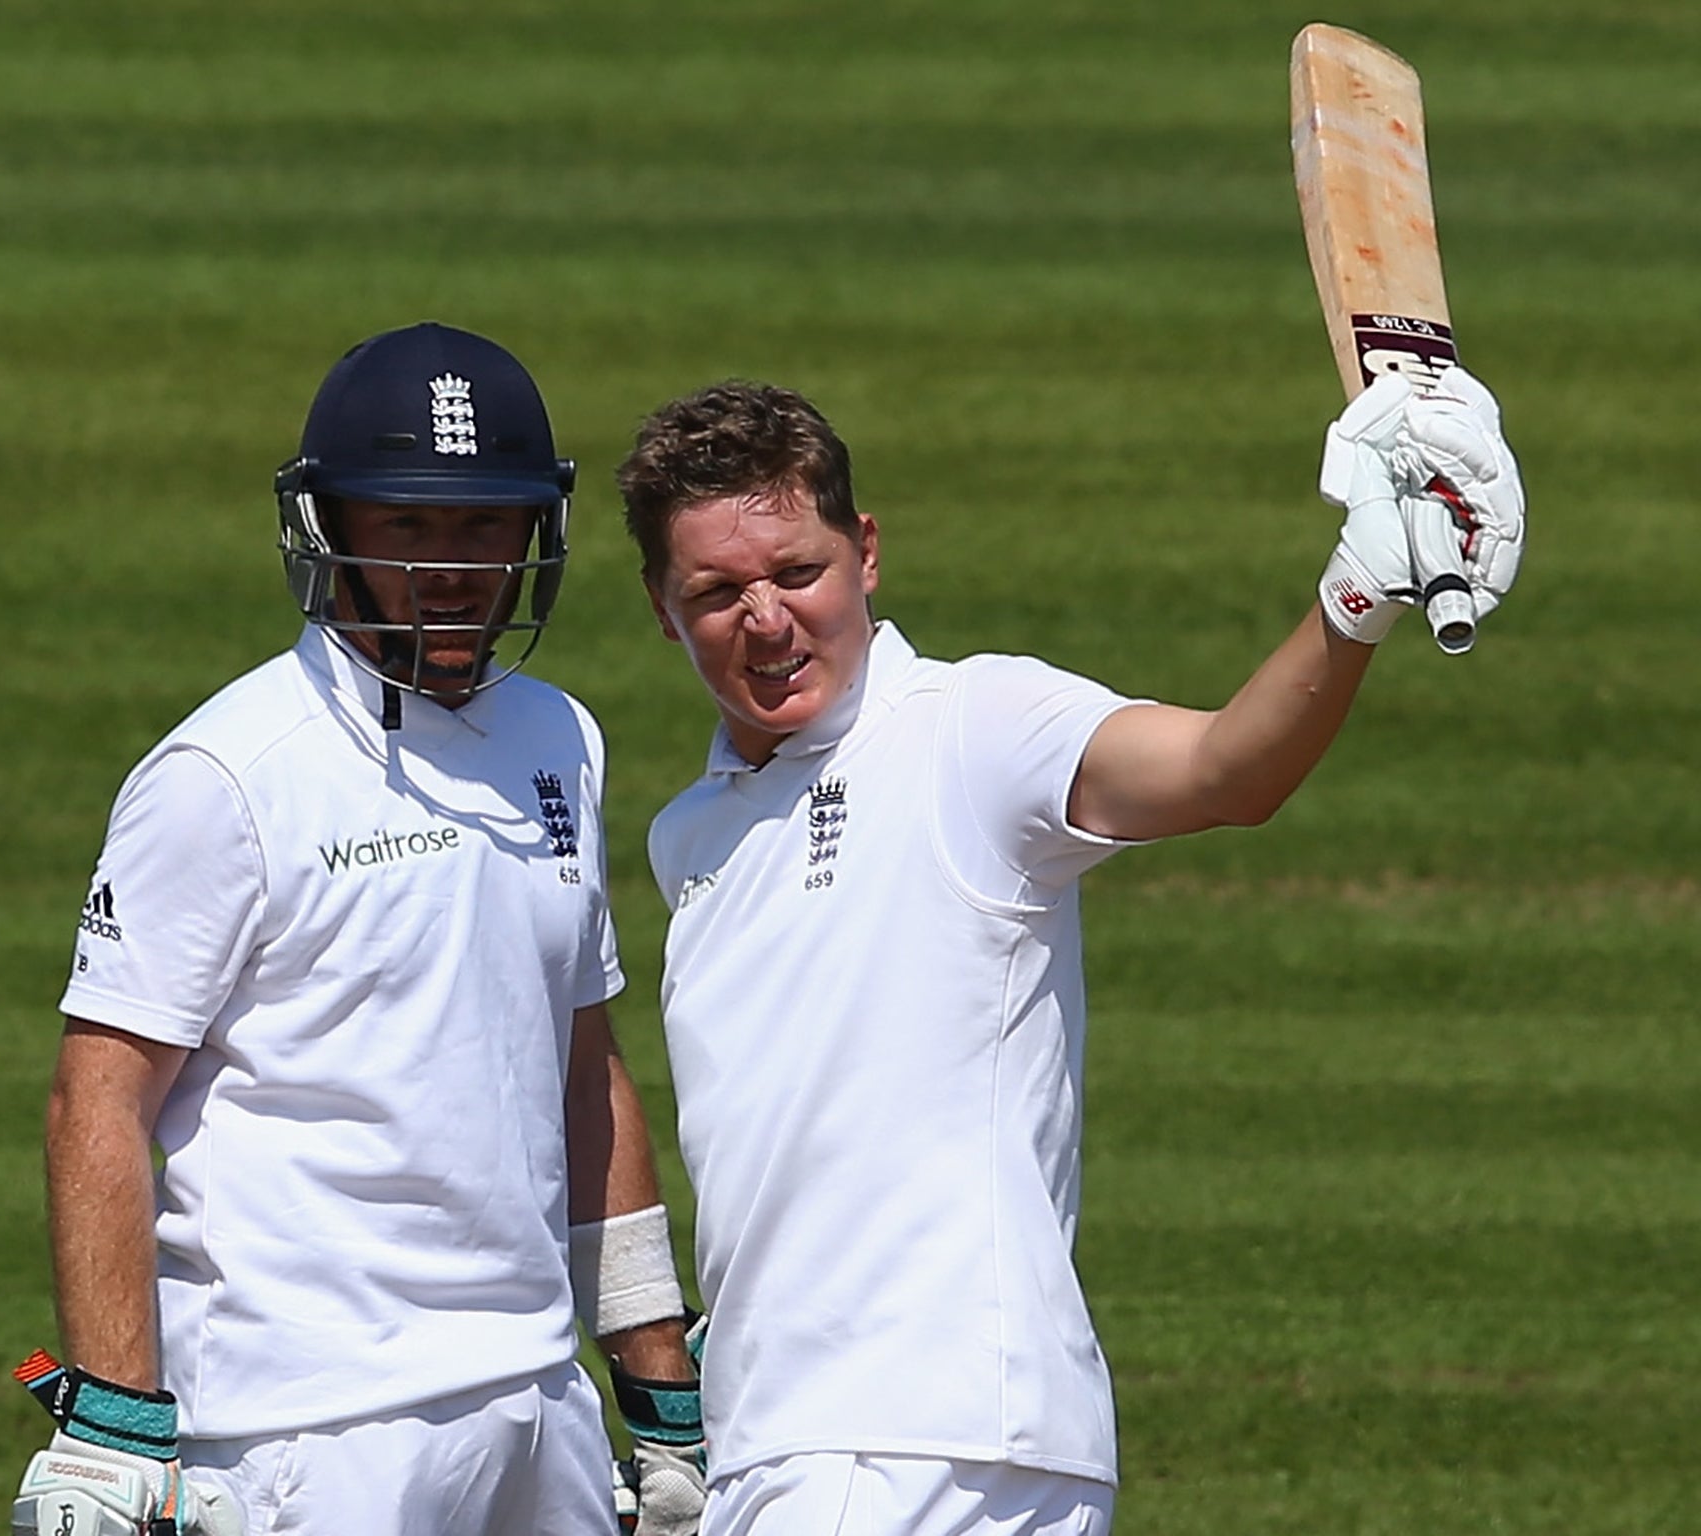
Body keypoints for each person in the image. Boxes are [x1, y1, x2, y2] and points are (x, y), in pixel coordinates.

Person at [613, 367, 1524, 1536]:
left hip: (915, 1444)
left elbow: (1219, 772)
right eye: (717, 590)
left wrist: (1355, 596)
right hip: (806, 1437)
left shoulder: (968, 730)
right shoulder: (692, 834)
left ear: (867, 554)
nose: (768, 618)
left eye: (799, 572)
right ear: (659, 605)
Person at [12, 322, 705, 1536]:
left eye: (483, 526)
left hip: (536, 1403)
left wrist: (655, 1386)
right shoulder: (226, 773)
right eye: (410, 525)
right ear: (330, 529)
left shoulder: (562, 741)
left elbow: (584, 1072)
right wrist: (112, 1415)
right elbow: (99, 1098)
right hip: (307, 1428)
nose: (453, 568)